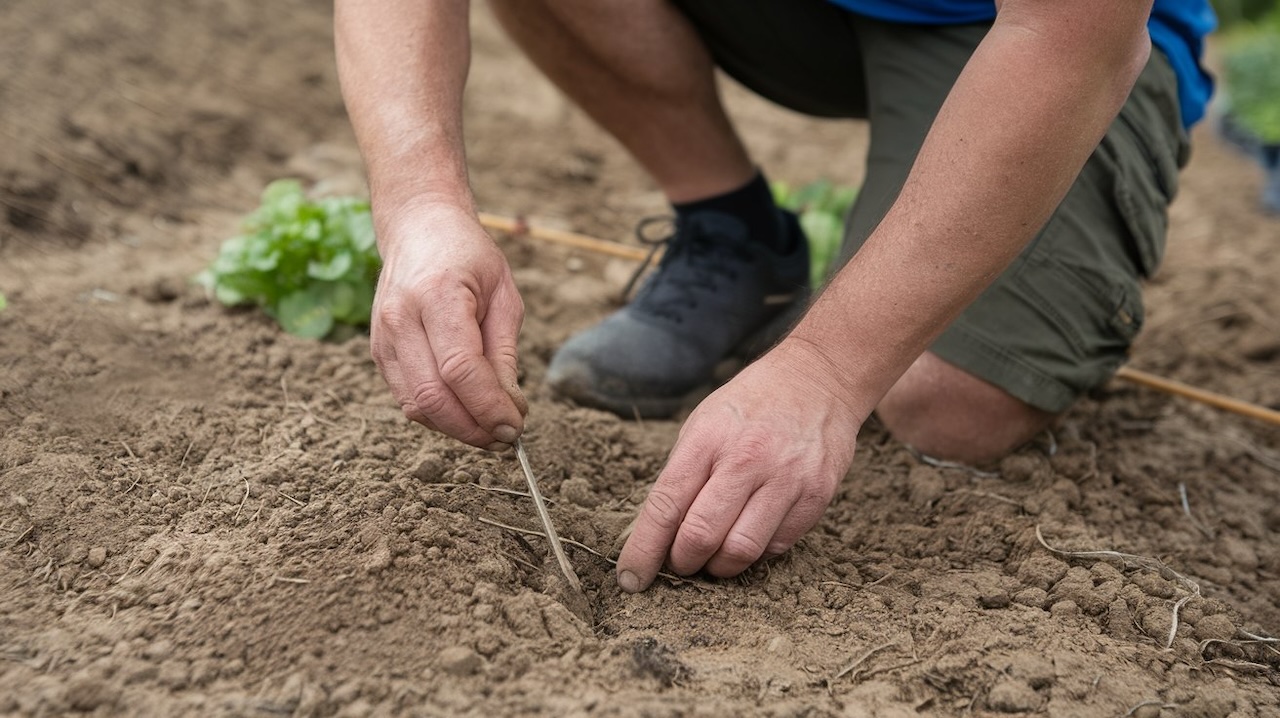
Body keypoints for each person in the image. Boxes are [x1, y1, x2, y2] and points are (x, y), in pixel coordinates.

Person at [334, 0, 1215, 593]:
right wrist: (419, 208)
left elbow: (1074, 33)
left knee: (943, 400)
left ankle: (834, 321)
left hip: (1009, 24)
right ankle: (734, 232)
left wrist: (825, 373)